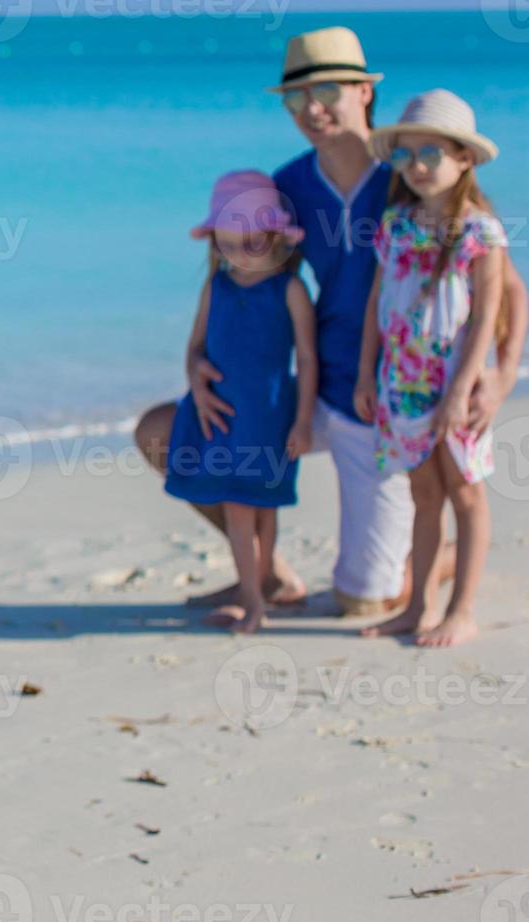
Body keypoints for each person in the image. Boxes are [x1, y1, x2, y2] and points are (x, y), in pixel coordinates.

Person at [134, 26, 527, 618]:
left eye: (327, 91)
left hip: (393, 400)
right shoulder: (288, 186)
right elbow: (242, 273)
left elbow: (506, 288)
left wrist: (499, 377)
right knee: (163, 434)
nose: (311, 110)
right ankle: (265, 576)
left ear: (364, 91)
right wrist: (199, 366)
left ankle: (433, 560)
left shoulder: (413, 169)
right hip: (313, 393)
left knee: (365, 601)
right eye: (295, 98)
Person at [355, 90, 506, 646]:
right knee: (423, 494)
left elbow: (487, 318)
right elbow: (377, 305)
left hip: (453, 387)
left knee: (465, 492)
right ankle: (417, 605)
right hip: (401, 384)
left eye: (431, 154)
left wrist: (460, 391)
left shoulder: (479, 232)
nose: (415, 166)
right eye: (405, 154)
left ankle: (461, 609)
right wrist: (365, 373)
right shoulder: (395, 224)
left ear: (464, 158)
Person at [164, 171, 317, 634]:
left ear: (273, 235)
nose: (236, 252)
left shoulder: (290, 289)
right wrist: (196, 375)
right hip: (221, 416)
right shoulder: (217, 287)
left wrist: (304, 421)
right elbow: (194, 347)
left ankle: (261, 589)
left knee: (265, 505)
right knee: (236, 507)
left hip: (270, 416)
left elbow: (308, 358)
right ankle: (251, 599)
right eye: (226, 242)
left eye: (248, 241)